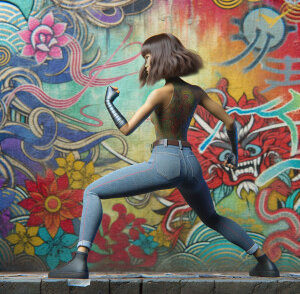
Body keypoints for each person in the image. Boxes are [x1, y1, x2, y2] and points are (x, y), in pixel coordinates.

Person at [48, 33, 279, 279]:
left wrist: (110, 103)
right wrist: (233, 153)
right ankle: (264, 262)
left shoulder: (159, 94)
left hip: (165, 162)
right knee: (211, 216)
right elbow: (231, 122)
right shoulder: (195, 92)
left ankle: (80, 261)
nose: (146, 64)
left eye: (148, 57)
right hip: (190, 165)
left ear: (160, 58)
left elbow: (126, 129)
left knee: (93, 191)